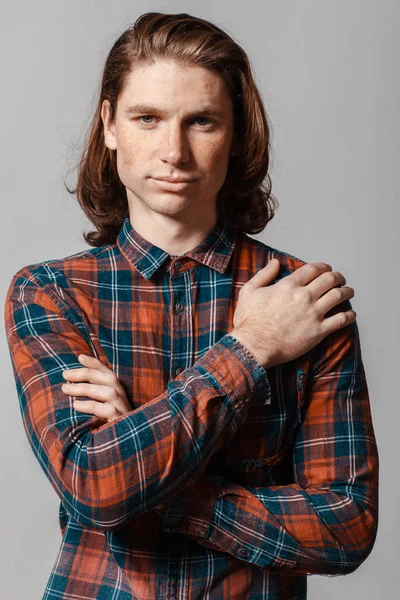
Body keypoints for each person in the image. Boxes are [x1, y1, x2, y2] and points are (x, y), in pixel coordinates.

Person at [4, 11, 378, 600]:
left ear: (236, 134)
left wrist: (153, 473)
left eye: (201, 121)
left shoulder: (305, 301)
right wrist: (250, 348)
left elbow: (346, 528)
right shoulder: (48, 293)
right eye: (147, 118)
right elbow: (95, 486)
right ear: (109, 125)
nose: (173, 151)